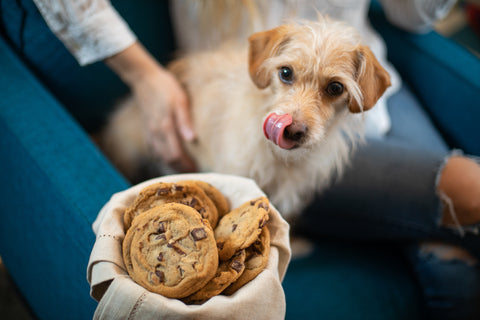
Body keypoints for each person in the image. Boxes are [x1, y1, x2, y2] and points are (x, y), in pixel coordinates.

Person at [2, 0, 479, 318]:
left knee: (455, 254)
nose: (298, 113)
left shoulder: (353, 95)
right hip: (211, 99)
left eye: (331, 90)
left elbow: (413, 15)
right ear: (271, 69)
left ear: (348, 94)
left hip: (378, 85)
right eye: (288, 77)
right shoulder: (257, 105)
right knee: (465, 202)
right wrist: (145, 78)